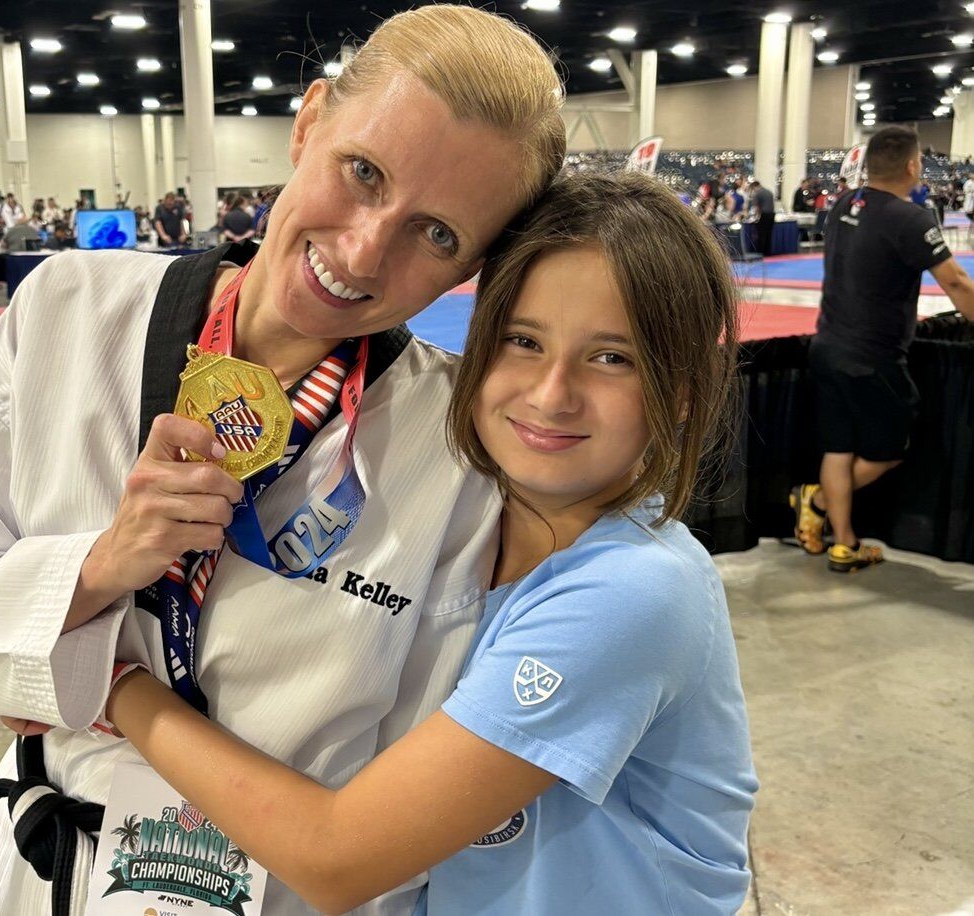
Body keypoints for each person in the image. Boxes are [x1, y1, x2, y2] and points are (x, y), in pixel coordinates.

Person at [0, 6, 567, 914]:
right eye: (362, 172)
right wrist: (99, 566)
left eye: (437, 234)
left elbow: (400, 803)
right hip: (52, 873)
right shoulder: (69, 311)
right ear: (309, 121)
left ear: (469, 272)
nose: (365, 249)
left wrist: (108, 685)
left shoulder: (455, 444)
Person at [76, 172, 756, 915]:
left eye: (611, 357)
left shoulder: (633, 591)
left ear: (683, 390)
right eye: (523, 341)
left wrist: (114, 684)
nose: (552, 392)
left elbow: (336, 859)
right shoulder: (464, 526)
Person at [791, 126, 974, 571]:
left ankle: (844, 544)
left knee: (838, 448)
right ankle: (815, 504)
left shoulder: (840, 206)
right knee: (888, 450)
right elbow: (955, 281)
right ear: (913, 166)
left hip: (827, 345)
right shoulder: (909, 218)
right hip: (871, 357)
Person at [746, 177, 776, 255]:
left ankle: (761, 252)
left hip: (764, 215)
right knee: (769, 235)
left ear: (754, 187)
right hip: (772, 215)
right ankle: (768, 252)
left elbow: (756, 207)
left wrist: (754, 216)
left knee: (762, 234)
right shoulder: (769, 192)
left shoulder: (758, 193)